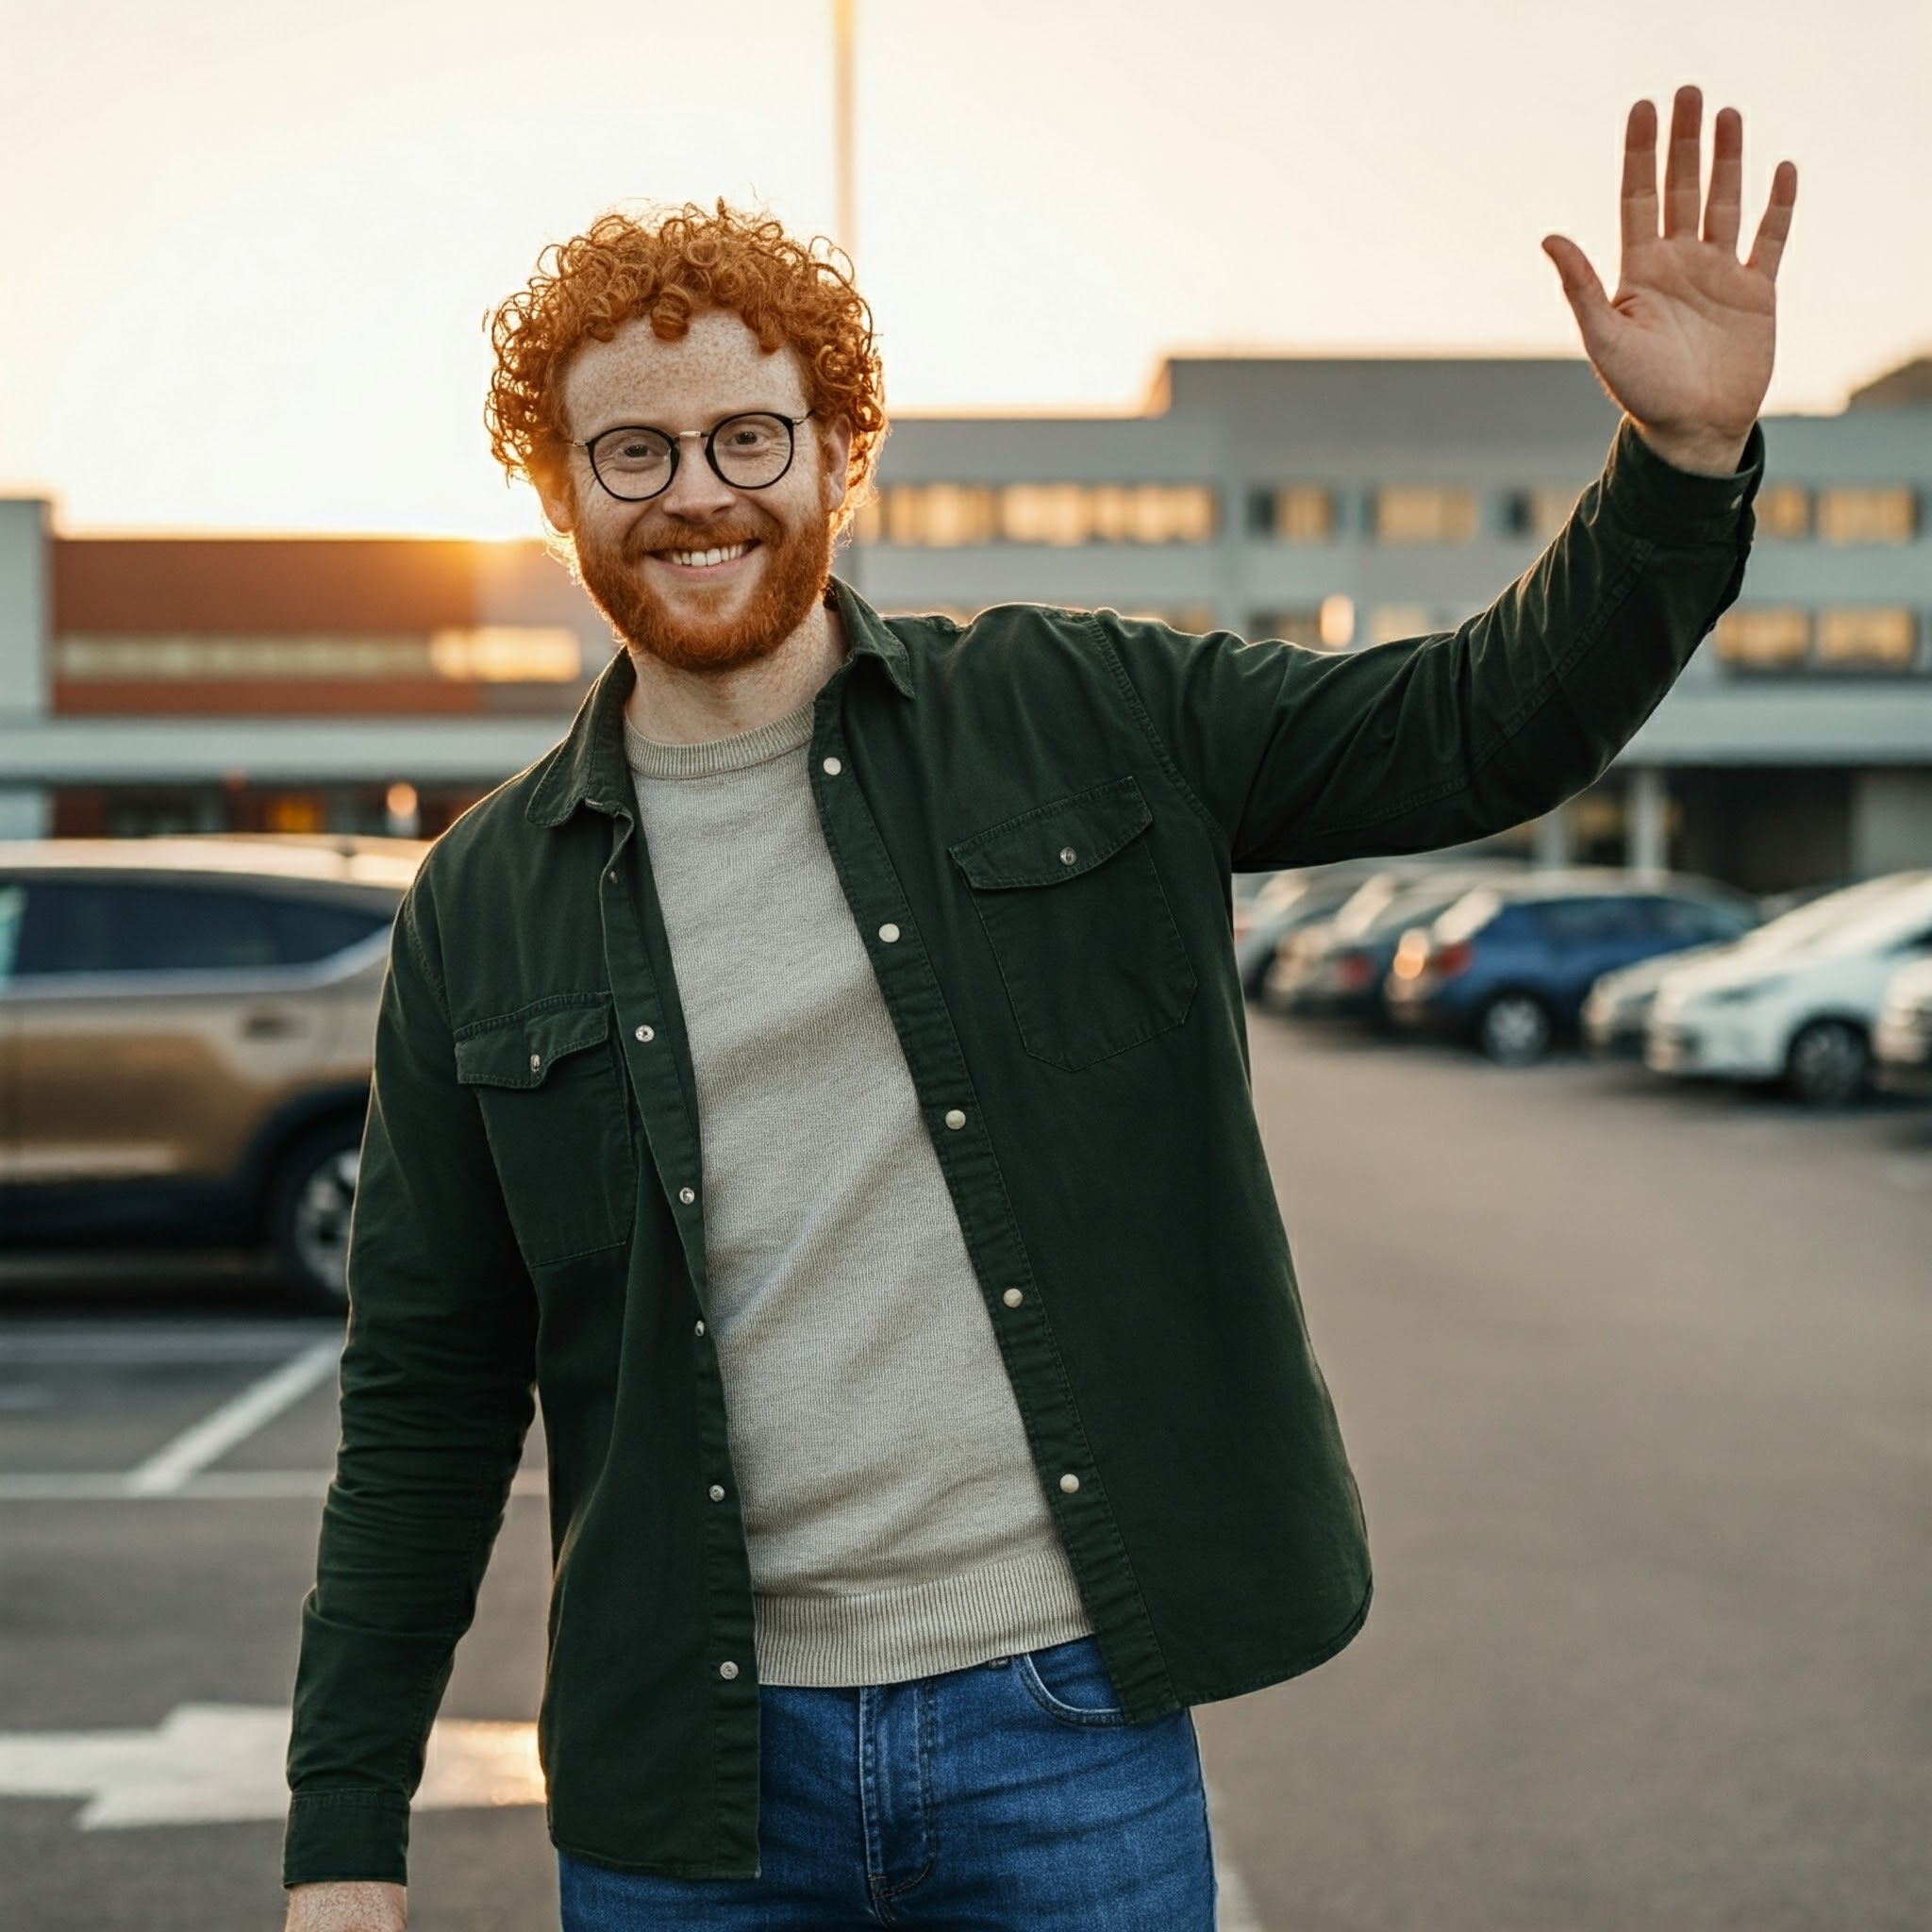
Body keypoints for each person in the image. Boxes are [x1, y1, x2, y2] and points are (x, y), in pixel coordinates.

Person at [283, 85, 1794, 1932]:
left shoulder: (1084, 713)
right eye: (633, 452)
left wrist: (1680, 464)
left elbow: (1472, 724)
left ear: (841, 454)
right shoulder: (481, 902)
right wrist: (345, 1833)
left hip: (1059, 1724)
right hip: (691, 1781)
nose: (696, 492)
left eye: (750, 435)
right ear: (552, 488)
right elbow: (426, 1394)